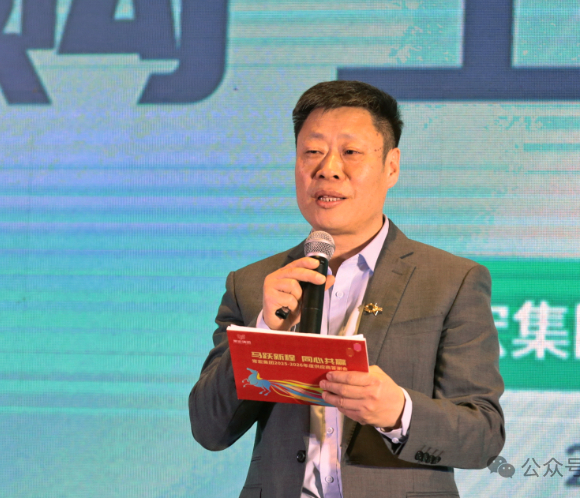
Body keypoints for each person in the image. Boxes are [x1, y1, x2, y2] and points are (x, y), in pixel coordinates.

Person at [189, 80, 505, 498]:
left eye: (351, 152)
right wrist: (265, 329)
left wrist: (399, 411)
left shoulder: (450, 281)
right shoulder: (253, 285)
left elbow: (484, 436)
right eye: (312, 152)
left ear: (391, 166)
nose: (328, 169)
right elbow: (210, 429)